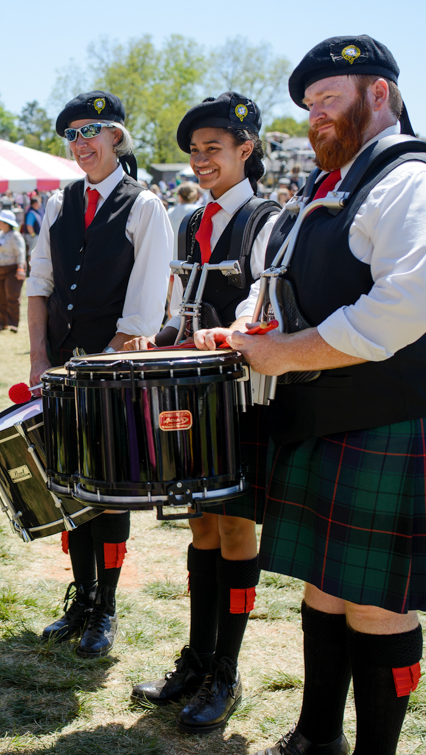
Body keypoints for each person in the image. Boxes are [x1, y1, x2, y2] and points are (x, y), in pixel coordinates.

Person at [198, 35, 426, 755]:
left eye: (330, 98)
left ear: (379, 95)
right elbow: (276, 292)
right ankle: (316, 736)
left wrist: (283, 352)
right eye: (308, 106)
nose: (316, 116)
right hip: (324, 417)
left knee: (379, 601)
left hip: (395, 420)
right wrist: (242, 332)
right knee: (325, 587)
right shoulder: (321, 190)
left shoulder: (416, 182)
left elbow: (401, 308)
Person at [127, 93, 279, 734]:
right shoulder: (191, 222)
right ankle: (198, 657)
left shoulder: (270, 219)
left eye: (213, 149)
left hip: (244, 397)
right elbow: (184, 306)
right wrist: (161, 336)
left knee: (237, 533)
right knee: (201, 531)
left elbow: (266, 308)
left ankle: (228, 671)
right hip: (194, 398)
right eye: (194, 151)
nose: (201, 160)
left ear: (247, 151)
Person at [26, 90, 173, 658]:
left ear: (117, 137)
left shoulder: (145, 206)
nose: (81, 143)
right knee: (68, 487)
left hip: (112, 370)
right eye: (73, 135)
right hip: (62, 368)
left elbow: (141, 313)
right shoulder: (59, 203)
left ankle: (106, 608)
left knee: (108, 494)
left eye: (92, 131)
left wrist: (95, 366)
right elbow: (39, 286)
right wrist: (41, 360)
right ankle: (82, 599)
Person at [0, 210, 26, 332]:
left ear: (6, 223)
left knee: (12, 297)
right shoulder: (0, 234)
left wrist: (20, 268)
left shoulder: (15, 236)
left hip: (12, 270)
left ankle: (13, 324)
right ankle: (2, 323)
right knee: (1, 298)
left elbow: (21, 253)